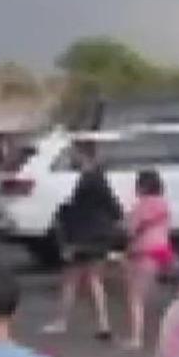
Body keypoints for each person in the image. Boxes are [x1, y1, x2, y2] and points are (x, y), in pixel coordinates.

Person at [43, 141, 123, 339]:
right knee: (95, 279)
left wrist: (64, 214)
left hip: (82, 237)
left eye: (74, 155)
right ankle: (103, 324)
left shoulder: (87, 180)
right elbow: (114, 208)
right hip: (100, 235)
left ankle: (61, 321)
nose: (72, 159)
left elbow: (79, 210)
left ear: (83, 155)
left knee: (70, 279)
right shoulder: (101, 179)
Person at [122, 170, 174, 350]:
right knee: (153, 294)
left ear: (142, 186)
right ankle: (162, 334)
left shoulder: (141, 206)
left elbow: (131, 230)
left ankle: (136, 338)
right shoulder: (164, 205)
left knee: (135, 297)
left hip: (142, 251)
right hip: (163, 250)